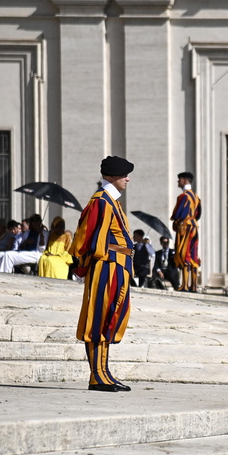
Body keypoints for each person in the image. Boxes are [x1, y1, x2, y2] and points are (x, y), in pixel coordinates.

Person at [70, 155, 135, 392]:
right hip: (106, 265)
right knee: (98, 319)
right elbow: (87, 237)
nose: (127, 179)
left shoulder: (111, 201)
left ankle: (104, 372)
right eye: (124, 174)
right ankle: (97, 375)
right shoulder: (101, 201)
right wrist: (81, 268)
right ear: (112, 176)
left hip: (118, 265)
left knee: (109, 319)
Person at [170, 171, 202, 292]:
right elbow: (198, 213)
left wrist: (176, 220)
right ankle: (193, 285)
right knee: (193, 254)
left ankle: (185, 285)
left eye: (179, 180)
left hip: (185, 227)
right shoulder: (196, 196)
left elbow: (178, 213)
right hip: (194, 226)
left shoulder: (184, 196)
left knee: (184, 254)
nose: (178, 182)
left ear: (184, 180)